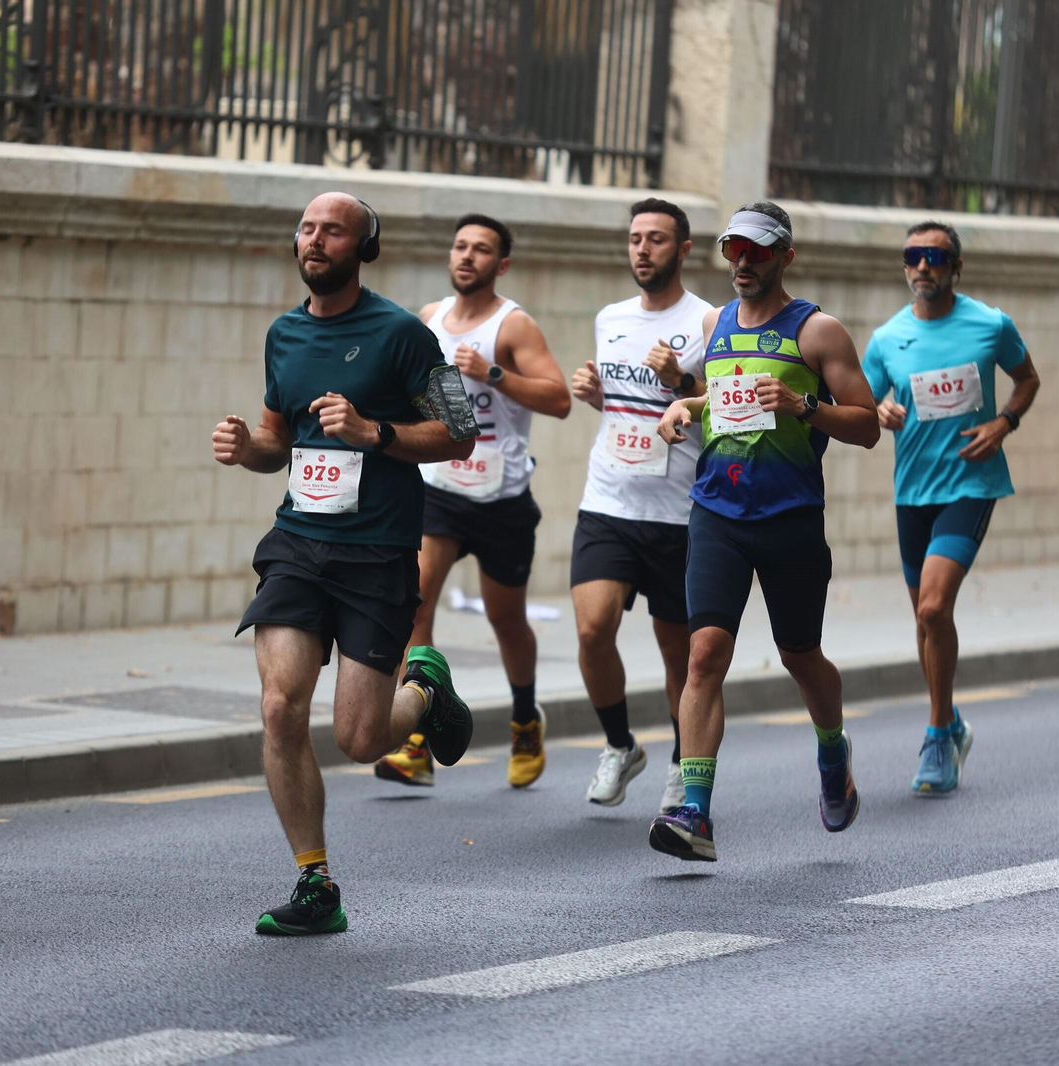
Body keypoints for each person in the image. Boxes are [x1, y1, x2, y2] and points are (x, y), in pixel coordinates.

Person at [213, 193, 476, 935]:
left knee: (361, 740)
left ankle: (425, 688)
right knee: (277, 706)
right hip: (298, 543)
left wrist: (375, 431)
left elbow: (460, 433)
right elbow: (278, 441)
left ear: (364, 246)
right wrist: (248, 450)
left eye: (333, 230)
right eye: (306, 228)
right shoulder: (284, 334)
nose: (314, 240)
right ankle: (314, 883)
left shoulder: (402, 335)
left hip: (377, 550)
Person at [650, 202, 881, 862]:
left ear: (785, 255)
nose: (743, 263)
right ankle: (694, 810)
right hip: (717, 513)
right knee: (704, 656)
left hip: (789, 520)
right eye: (734, 251)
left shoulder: (818, 332)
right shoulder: (714, 324)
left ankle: (833, 751)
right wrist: (683, 407)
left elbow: (866, 424)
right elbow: (719, 398)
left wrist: (806, 405)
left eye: (757, 252)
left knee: (800, 656)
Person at [374, 214, 571, 791]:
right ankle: (416, 738)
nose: (467, 257)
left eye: (481, 250)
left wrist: (492, 373)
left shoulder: (513, 326)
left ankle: (525, 719)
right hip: (440, 489)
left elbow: (558, 399)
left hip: (502, 497)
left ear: (500, 264)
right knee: (415, 604)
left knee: (505, 618)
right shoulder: (429, 320)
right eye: (460, 246)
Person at [862, 220, 1041, 794]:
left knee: (934, 609)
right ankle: (953, 719)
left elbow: (1028, 379)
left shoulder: (990, 326)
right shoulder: (887, 338)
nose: (923, 266)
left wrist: (1004, 422)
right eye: (913, 255)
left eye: (936, 257)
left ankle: (938, 733)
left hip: (970, 486)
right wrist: (880, 411)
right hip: (912, 493)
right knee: (924, 618)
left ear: (955, 268)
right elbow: (860, 403)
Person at [569, 198, 718, 809]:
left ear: (682, 250)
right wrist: (598, 395)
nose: (642, 249)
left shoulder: (710, 320)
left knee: (677, 653)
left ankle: (684, 763)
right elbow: (627, 406)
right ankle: (620, 745)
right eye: (635, 238)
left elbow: (730, 411)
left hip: (679, 512)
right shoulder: (611, 318)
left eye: (656, 239)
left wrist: (682, 384)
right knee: (591, 627)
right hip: (609, 497)